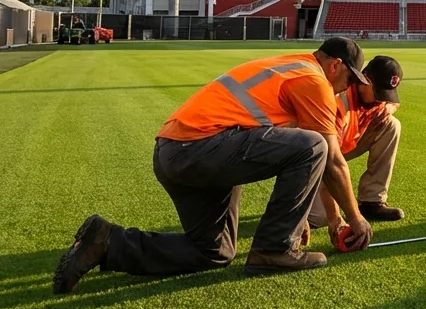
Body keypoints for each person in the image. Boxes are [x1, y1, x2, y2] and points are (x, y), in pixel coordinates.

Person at [52, 38, 376, 294]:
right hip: (200, 149)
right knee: (315, 144)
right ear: (336, 66)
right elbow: (330, 159)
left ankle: (106, 241)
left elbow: (280, 150)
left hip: (175, 152)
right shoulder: (313, 80)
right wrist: (355, 219)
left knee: (214, 252)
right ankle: (274, 251)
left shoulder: (289, 66)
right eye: (350, 79)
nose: (347, 88)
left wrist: (302, 217)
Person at [308, 55, 406, 231]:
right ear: (364, 80)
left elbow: (392, 102)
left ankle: (371, 202)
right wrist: (338, 218)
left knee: (392, 124)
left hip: (345, 143)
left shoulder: (377, 99)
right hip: (320, 156)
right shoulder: (339, 99)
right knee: (319, 218)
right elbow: (329, 163)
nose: (380, 100)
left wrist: (389, 108)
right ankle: (294, 201)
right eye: (378, 93)